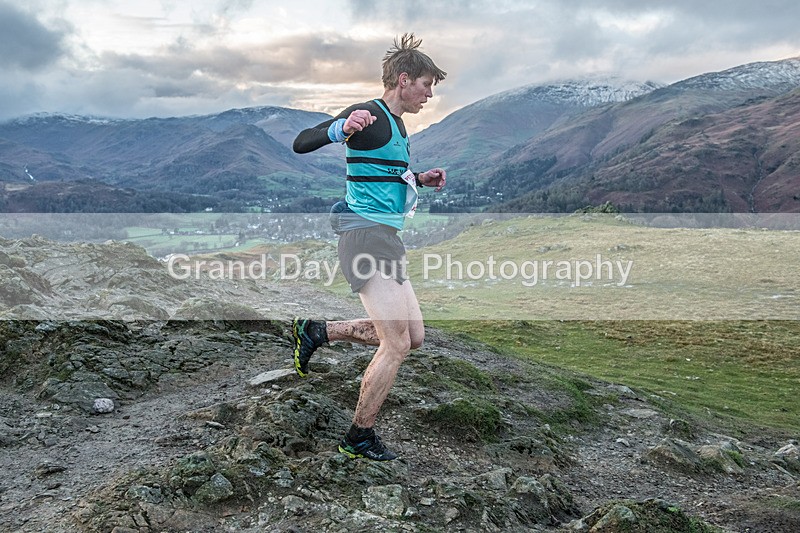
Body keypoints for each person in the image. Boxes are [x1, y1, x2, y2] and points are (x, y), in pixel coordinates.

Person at [291, 33, 447, 461]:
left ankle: (317, 331)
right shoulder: (371, 114)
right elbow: (302, 141)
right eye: (426, 85)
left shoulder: (396, 126)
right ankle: (358, 436)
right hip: (362, 236)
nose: (430, 95)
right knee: (394, 344)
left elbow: (381, 174)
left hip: (385, 238)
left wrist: (418, 178)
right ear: (403, 79)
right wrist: (339, 128)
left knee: (413, 337)